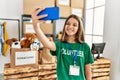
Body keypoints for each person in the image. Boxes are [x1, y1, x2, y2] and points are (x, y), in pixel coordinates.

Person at [32, 8, 94, 80]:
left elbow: (88, 71)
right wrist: (36, 26)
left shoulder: (85, 47)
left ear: (79, 28)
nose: (70, 27)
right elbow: (47, 44)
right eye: (68, 24)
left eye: (74, 25)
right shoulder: (60, 45)